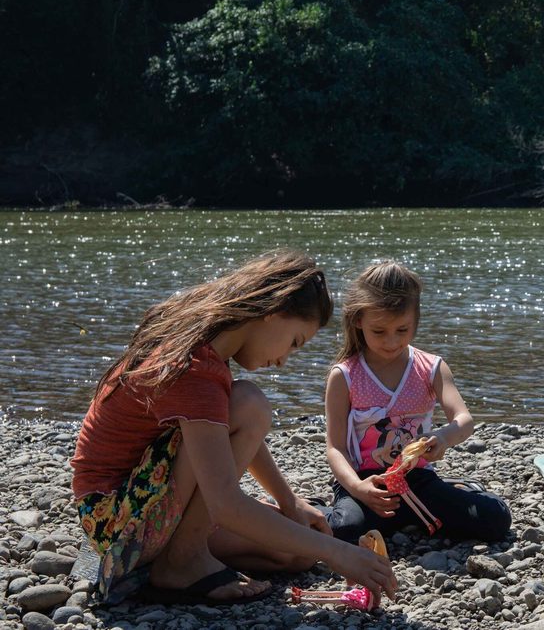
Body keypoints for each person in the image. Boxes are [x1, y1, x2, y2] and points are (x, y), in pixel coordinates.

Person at [70, 250, 397, 606]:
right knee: (249, 404)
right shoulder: (195, 369)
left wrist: (290, 503)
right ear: (273, 314)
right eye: (294, 342)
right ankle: (182, 562)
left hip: (137, 515)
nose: (283, 360)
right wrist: (338, 553)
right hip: (113, 521)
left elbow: (219, 435)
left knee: (296, 555)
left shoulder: (210, 353)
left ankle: (177, 555)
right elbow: (225, 503)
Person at [324, 261, 511, 544]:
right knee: (345, 530)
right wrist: (357, 488)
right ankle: (321, 508)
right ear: (358, 320)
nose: (391, 341)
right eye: (379, 331)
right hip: (366, 482)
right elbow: (335, 448)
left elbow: (464, 419)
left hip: (418, 481)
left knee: (495, 520)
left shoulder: (430, 368)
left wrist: (444, 437)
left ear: (416, 320)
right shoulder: (345, 376)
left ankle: (445, 500)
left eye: (402, 330)